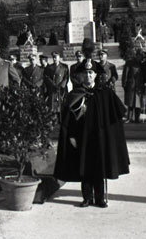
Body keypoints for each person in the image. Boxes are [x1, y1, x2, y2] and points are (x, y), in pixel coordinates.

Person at [54, 63, 130, 208]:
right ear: (81, 76)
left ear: (95, 75)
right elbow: (68, 120)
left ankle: (100, 198)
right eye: (85, 73)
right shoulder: (74, 94)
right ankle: (87, 198)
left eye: (91, 73)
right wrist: (71, 136)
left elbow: (116, 114)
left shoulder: (105, 93)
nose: (88, 76)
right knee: (84, 166)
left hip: (100, 137)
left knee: (99, 166)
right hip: (82, 137)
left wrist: (110, 135)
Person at [44, 51, 69, 123]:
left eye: (55, 57)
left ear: (59, 57)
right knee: (53, 105)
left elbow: (66, 77)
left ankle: (62, 120)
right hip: (53, 89)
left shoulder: (64, 67)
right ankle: (53, 120)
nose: (54, 59)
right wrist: (53, 85)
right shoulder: (49, 67)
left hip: (61, 89)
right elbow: (47, 77)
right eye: (53, 57)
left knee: (61, 104)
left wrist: (61, 86)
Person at [121, 50, 144, 123]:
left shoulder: (142, 63)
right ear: (136, 55)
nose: (140, 57)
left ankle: (137, 118)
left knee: (138, 102)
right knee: (130, 102)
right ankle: (129, 118)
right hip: (131, 85)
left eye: (141, 56)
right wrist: (124, 84)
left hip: (139, 85)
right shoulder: (129, 62)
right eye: (139, 55)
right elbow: (125, 74)